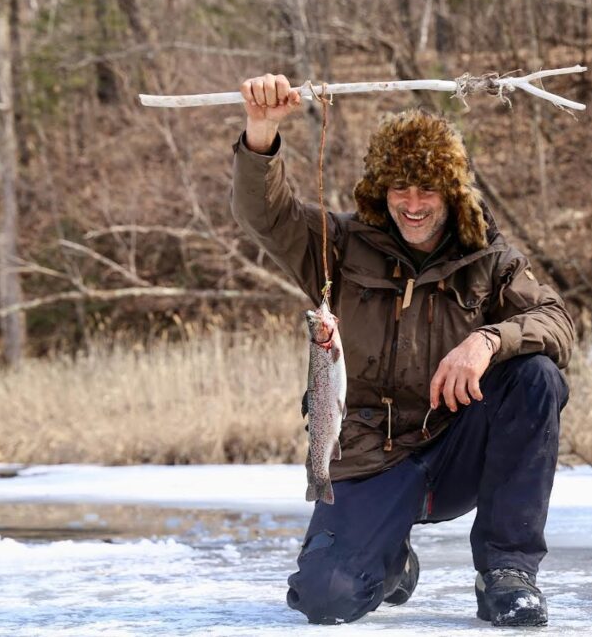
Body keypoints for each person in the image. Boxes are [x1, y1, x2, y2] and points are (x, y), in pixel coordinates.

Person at [231, 74, 574, 627]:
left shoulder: (489, 258)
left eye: (428, 191)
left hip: (457, 447)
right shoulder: (338, 245)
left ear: (453, 194)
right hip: (369, 456)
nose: (412, 205)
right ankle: (391, 561)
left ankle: (507, 571)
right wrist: (262, 131)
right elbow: (264, 216)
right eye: (399, 189)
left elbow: (557, 323)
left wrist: (488, 340)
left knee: (535, 375)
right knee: (326, 598)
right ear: (379, 191)